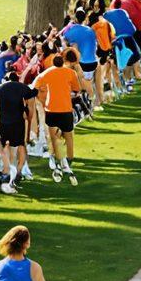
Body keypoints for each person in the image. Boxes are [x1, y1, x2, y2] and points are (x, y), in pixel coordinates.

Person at [33, 54, 81, 185]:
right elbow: (77, 89)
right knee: (68, 136)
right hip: (66, 109)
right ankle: (69, 159)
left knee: (53, 137)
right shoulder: (70, 72)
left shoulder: (47, 73)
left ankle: (54, 157)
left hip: (51, 109)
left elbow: (36, 86)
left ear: (53, 63)